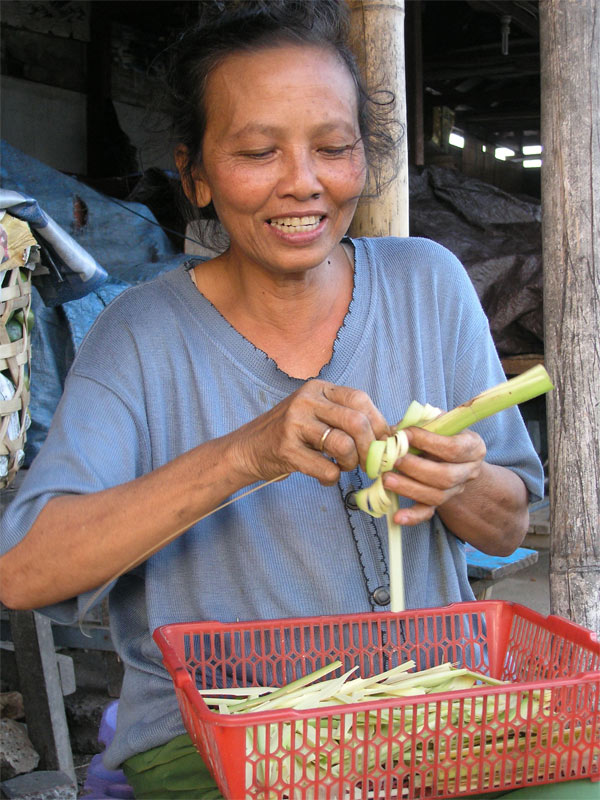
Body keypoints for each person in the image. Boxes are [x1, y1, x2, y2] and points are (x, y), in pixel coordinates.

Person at [0, 1, 543, 796]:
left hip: (437, 718)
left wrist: (460, 483)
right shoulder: (141, 333)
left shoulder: (431, 283)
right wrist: (243, 455)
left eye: (333, 147)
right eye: (258, 151)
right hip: (220, 740)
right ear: (196, 176)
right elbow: (22, 571)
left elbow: (508, 525)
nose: (304, 182)